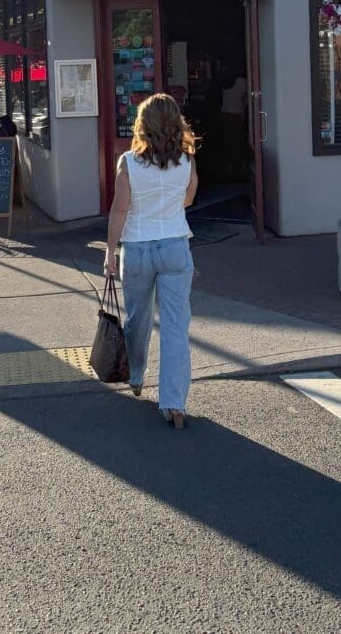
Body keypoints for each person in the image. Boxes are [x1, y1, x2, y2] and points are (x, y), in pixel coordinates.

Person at [105, 93, 198, 429]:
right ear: (176, 123)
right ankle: (174, 403)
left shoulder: (129, 161)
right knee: (175, 328)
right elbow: (188, 198)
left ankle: (136, 374)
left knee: (138, 319)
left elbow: (120, 209)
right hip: (174, 244)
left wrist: (109, 251)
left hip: (138, 247)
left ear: (142, 125)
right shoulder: (186, 159)